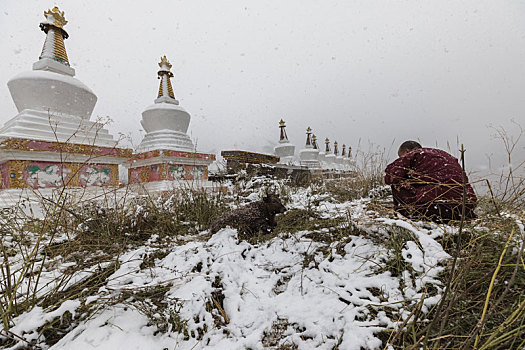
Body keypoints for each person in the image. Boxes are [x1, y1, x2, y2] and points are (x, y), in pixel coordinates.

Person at [385, 141, 477, 223]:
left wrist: (407, 177)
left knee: (397, 183)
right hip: (465, 206)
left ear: (407, 151)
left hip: (434, 204)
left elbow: (391, 175)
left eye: (400, 156)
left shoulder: (415, 154)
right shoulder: (447, 156)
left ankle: (407, 219)